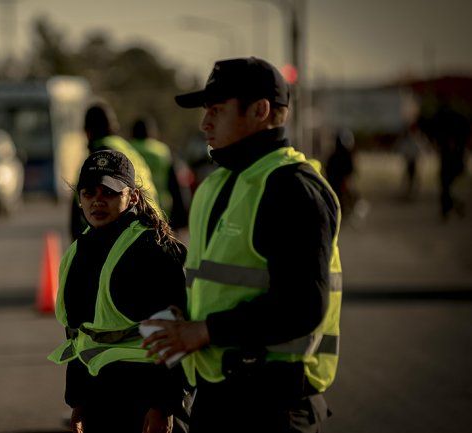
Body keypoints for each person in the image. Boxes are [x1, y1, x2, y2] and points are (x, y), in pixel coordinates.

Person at [142, 57, 343, 433]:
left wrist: (205, 331)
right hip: (217, 400)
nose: (204, 123)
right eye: (205, 111)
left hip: (274, 406)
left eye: (217, 111)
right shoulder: (216, 185)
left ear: (260, 111)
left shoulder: (293, 189)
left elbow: (302, 305)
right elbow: (214, 288)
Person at [49, 149, 187, 433]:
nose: (98, 201)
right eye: (89, 193)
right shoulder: (78, 251)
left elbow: (173, 332)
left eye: (109, 193)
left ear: (132, 197)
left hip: (143, 396)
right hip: (99, 394)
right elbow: (79, 335)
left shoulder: (153, 249)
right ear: (79, 199)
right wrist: (78, 401)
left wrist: (163, 406)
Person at [69, 102, 160, 240]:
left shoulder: (101, 155)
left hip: (127, 228)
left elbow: (83, 204)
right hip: (152, 221)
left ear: (87, 131)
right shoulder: (126, 147)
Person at [129, 117, 189, 230]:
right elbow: (174, 184)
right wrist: (182, 215)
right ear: (152, 132)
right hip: (162, 207)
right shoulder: (162, 151)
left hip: (135, 205)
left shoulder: (129, 149)